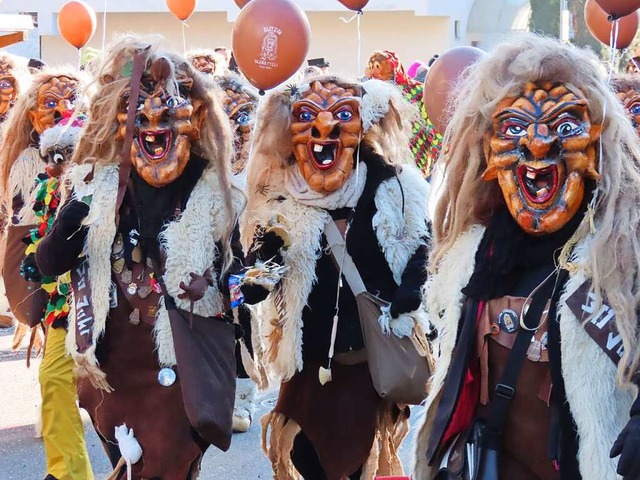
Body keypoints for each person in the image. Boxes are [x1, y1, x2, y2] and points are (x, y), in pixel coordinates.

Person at [413, 34, 640, 480]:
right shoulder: (475, 251)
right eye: (514, 128)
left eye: (565, 125)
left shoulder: (622, 249)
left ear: (598, 143)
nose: (538, 145)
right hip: (497, 463)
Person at [35, 36, 246, 479]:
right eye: (139, 114)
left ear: (195, 116)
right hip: (115, 368)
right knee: (128, 467)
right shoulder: (95, 186)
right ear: (117, 122)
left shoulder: (215, 192)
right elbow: (48, 264)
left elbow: (242, 277)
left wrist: (227, 285)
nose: (153, 125)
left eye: (168, 113)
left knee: (167, 467)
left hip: (183, 362)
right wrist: (78, 212)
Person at [240, 74, 431, 479]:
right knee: (307, 454)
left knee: (352, 457)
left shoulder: (392, 186)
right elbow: (264, 261)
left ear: (362, 127)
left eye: (342, 116)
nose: (323, 130)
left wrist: (410, 290)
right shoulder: (283, 194)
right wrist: (259, 276)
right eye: (307, 118)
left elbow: (421, 246)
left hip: (362, 356)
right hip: (307, 360)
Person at [364, 49, 441, 179]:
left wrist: (435, 148)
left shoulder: (417, 91)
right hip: (386, 148)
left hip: (415, 146)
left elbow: (432, 122)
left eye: (378, 67)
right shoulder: (373, 95)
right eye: (371, 67)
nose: (373, 72)